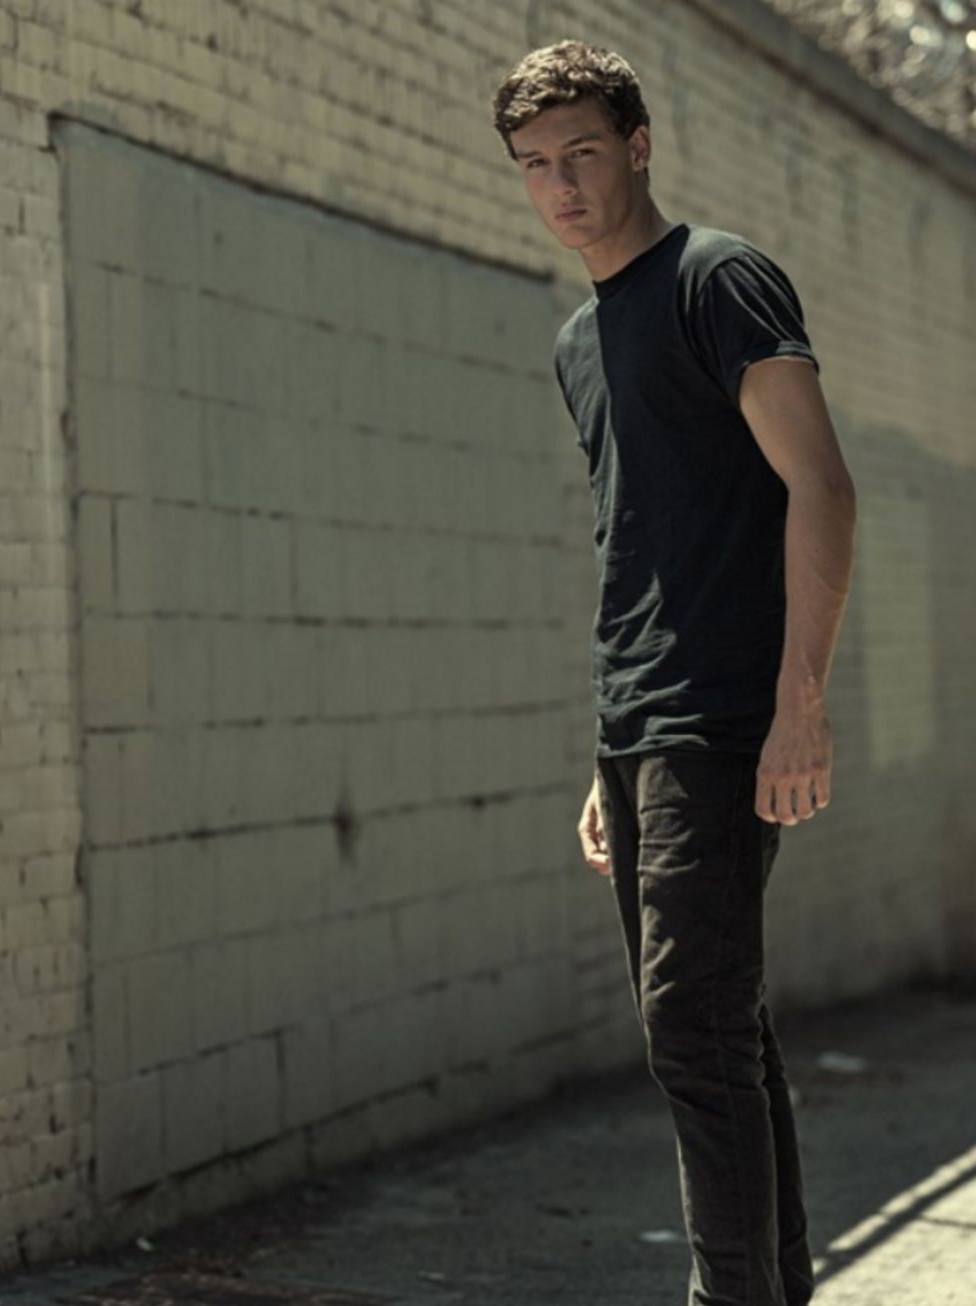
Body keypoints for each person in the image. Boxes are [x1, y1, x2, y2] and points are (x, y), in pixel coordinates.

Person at [492, 39, 857, 1306]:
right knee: (723, 1028)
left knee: (690, 1032)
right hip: (643, 724)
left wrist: (796, 702)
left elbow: (819, 486)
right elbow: (631, 545)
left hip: (724, 712)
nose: (561, 185)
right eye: (535, 165)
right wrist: (607, 755)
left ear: (636, 147)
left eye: (582, 152)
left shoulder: (719, 281)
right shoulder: (579, 341)